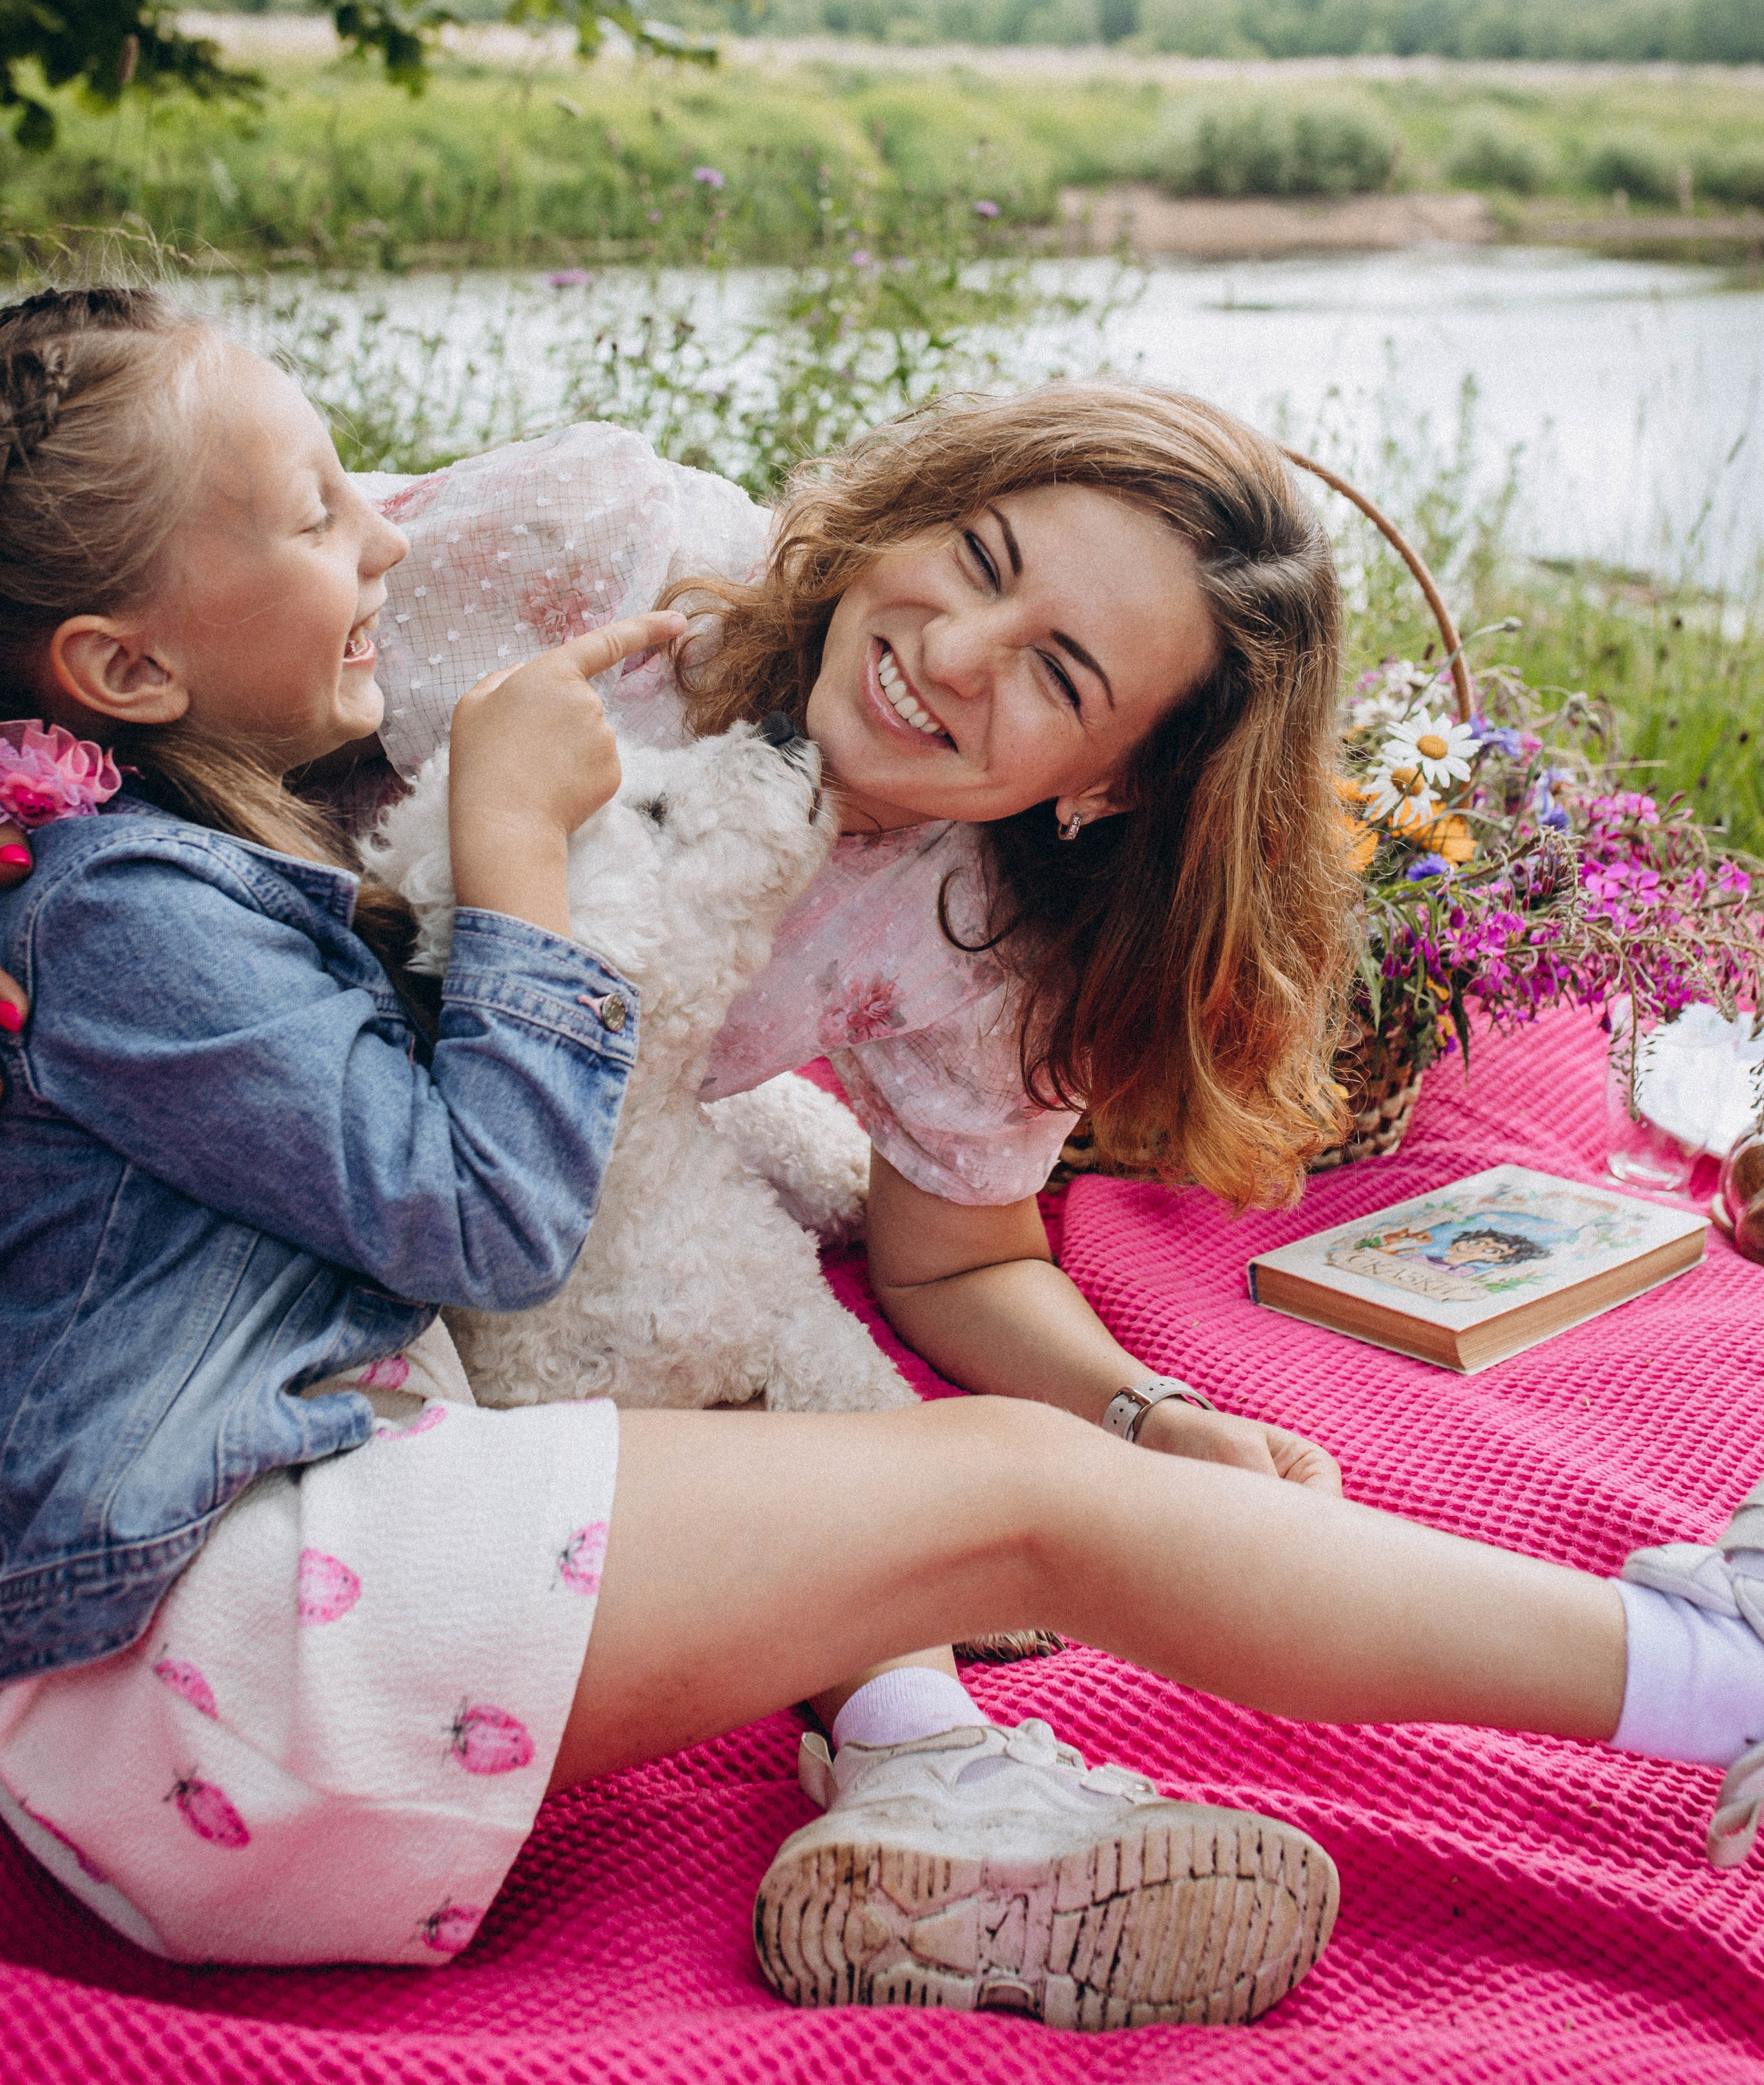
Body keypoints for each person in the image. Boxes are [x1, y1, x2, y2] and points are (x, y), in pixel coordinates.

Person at [1, 287, 1761, 2028]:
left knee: (763, 1255)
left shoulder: (984, 946)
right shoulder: (586, 572)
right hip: (262, 1433)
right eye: (980, 558)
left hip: (352, 1349)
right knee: (986, 1484)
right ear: (907, 514)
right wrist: (500, 834)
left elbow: (958, 1257)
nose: (954, 654)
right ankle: (1709, 1663)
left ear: (1116, 786)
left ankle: (933, 1780)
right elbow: (205, 559)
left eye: (1059, 674)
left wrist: (1141, 1412)